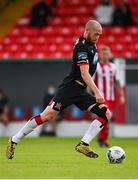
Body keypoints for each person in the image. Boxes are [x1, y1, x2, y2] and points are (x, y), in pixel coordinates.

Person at [6, 20, 112, 160]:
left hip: (81, 91)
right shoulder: (82, 47)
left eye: (100, 35)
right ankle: (14, 140)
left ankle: (84, 144)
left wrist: (90, 89)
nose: (98, 37)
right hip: (70, 88)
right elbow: (84, 73)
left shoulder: (92, 45)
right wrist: (97, 92)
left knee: (105, 113)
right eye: (96, 34)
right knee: (47, 116)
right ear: (87, 31)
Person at [94, 46, 125, 147]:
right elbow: (90, 81)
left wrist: (121, 95)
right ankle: (103, 139)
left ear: (110, 54)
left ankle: (102, 138)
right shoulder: (96, 66)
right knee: (107, 117)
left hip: (111, 97)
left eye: (107, 53)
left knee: (106, 119)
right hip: (100, 98)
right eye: (103, 53)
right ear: (100, 55)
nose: (106, 55)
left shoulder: (113, 67)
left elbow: (117, 82)